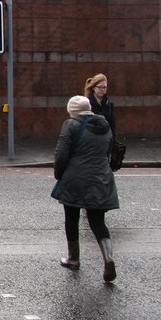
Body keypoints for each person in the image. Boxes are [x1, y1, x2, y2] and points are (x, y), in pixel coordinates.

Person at [52, 95, 120, 283]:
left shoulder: (71, 125)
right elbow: (108, 150)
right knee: (97, 221)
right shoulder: (104, 125)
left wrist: (59, 174)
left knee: (71, 218)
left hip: (76, 178)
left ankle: (73, 258)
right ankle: (108, 257)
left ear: (72, 111)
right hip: (101, 177)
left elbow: (61, 154)